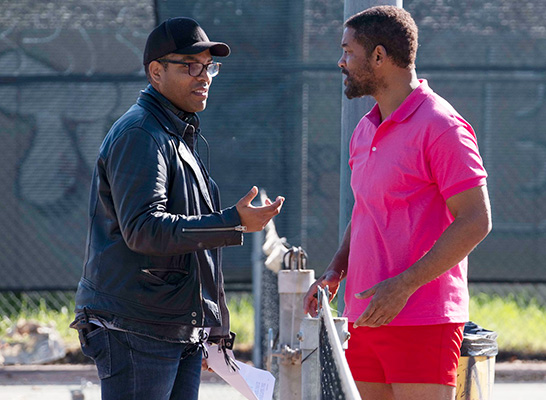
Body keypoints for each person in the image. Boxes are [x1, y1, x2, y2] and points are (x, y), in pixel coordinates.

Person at [70, 17, 284, 400]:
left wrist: (213, 326)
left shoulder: (175, 132)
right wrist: (233, 222)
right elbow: (145, 228)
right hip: (135, 326)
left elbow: (193, 248)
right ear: (156, 72)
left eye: (208, 67)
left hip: (174, 328)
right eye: (190, 66)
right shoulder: (141, 133)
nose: (204, 77)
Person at [303, 6, 491, 400]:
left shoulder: (442, 126)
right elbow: (366, 211)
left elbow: (476, 220)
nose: (341, 62)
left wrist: (404, 286)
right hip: (364, 318)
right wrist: (337, 269)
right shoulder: (364, 128)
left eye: (348, 51)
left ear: (379, 56)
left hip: (425, 322)